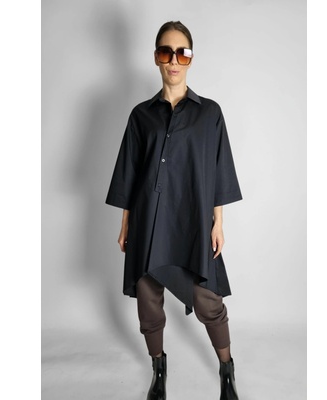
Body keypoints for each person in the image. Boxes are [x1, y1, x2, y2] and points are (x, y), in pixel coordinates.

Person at [106, 21, 242, 400]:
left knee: (208, 302)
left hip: (192, 221)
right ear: (156, 58)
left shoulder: (210, 113)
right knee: (149, 301)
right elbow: (130, 173)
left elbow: (218, 169)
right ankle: (159, 370)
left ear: (191, 59)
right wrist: (125, 224)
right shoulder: (141, 116)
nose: (174, 61)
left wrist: (218, 222)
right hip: (148, 219)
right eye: (167, 52)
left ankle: (227, 371)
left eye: (182, 53)